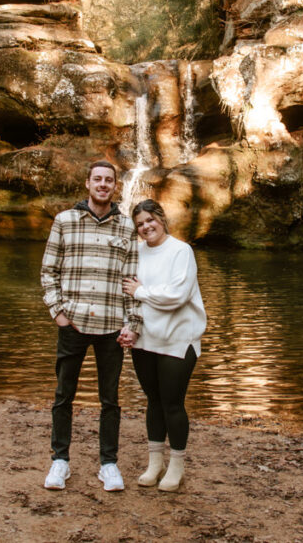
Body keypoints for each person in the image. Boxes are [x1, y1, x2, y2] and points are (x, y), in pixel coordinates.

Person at [40, 160, 142, 492]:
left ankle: (108, 464)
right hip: (73, 323)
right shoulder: (65, 221)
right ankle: (60, 460)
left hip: (112, 325)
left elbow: (132, 281)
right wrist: (58, 312)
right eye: (97, 179)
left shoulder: (126, 227)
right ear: (87, 183)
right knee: (63, 395)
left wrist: (133, 324)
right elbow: (49, 271)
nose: (102, 184)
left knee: (110, 399)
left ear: (115, 186)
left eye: (108, 180)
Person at [120, 199, 206, 493]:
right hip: (145, 339)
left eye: (149, 220)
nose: (146, 227)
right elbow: (127, 295)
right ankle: (155, 463)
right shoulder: (136, 252)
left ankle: (177, 466)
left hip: (178, 340)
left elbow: (178, 295)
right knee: (153, 401)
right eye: (140, 224)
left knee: (172, 403)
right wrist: (128, 327)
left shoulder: (181, 250)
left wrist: (141, 291)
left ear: (161, 218)